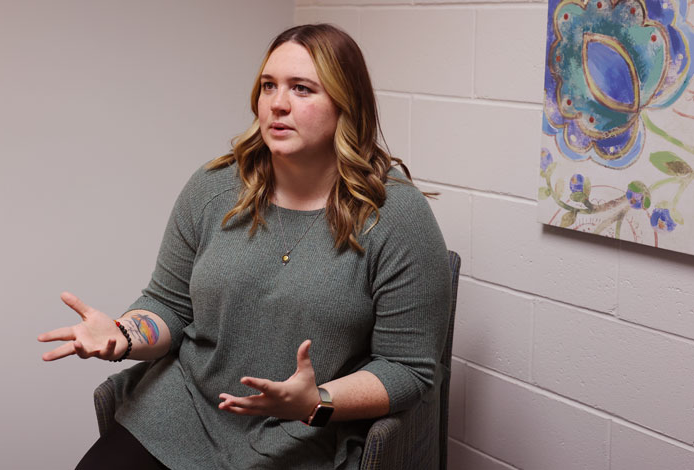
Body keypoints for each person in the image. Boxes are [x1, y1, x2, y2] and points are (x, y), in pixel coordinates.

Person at [38, 23, 451, 470]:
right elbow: (168, 305)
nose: (278, 103)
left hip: (301, 438)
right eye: (268, 86)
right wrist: (125, 334)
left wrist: (318, 402)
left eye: (303, 89)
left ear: (345, 104)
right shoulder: (214, 188)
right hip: (184, 413)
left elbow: (409, 368)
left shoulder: (394, 215)